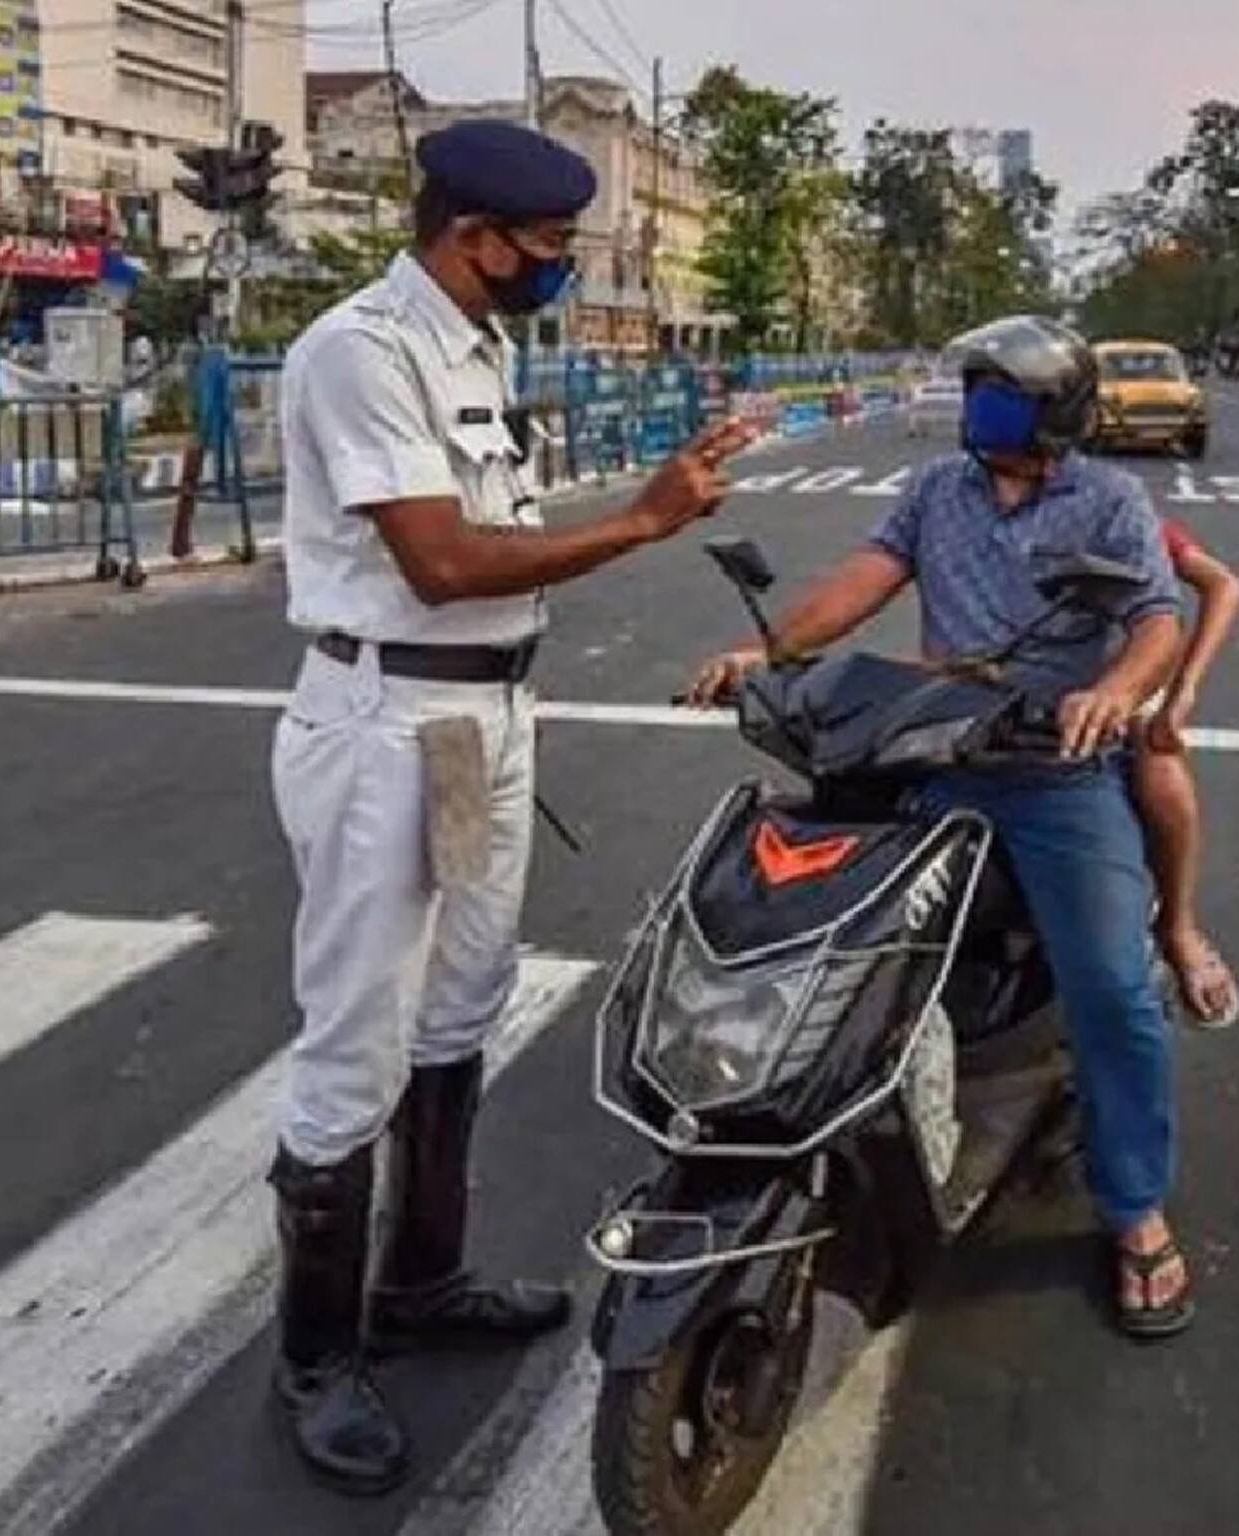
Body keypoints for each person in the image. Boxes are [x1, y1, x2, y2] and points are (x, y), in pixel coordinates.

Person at [267, 119, 752, 1495]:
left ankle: (422, 1280)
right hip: (387, 724)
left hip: (479, 725)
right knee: (357, 1035)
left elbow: (503, 534)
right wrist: (652, 519)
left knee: (463, 998)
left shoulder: (476, 346)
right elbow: (436, 561)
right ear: (468, 235)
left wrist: (661, 491)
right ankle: (314, 1355)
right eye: (542, 250)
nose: (553, 270)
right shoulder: (363, 349)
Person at [690, 315, 1197, 1339]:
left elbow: (1154, 619)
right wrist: (767, 657)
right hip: (928, 751)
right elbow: (864, 581)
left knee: (1111, 987)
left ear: (1051, 412)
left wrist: (1111, 692)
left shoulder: (1106, 500)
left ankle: (1136, 1207)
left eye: (997, 395)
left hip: (1050, 772)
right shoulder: (935, 491)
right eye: (973, 392)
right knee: (826, 922)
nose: (976, 411)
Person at [1136, 516, 1239, 1025]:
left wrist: (1185, 687)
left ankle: (1178, 926)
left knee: (1159, 767)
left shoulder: (1119, 513)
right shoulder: (960, 503)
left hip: (1121, 685)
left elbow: (1224, 584)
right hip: (1007, 686)